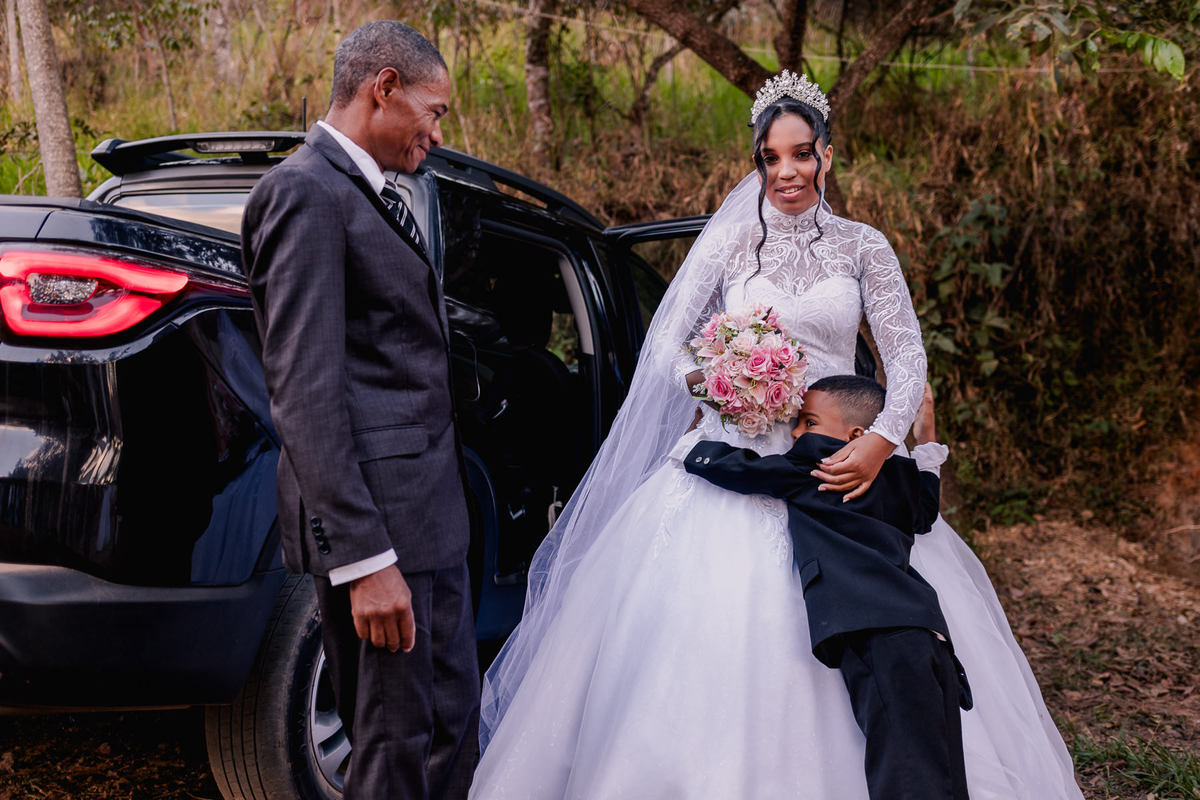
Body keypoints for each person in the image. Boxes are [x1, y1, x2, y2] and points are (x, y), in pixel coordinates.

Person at [470, 71, 1083, 799]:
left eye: (801, 154)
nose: (786, 172)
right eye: (770, 157)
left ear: (828, 154)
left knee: (891, 626)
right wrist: (718, 383)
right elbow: (669, 341)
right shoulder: (730, 244)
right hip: (735, 455)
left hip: (839, 463)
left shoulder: (864, 247)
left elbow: (907, 354)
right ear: (757, 160)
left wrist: (883, 440)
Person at [242, 21, 478, 800]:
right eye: (433, 111)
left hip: (427, 526)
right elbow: (305, 390)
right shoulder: (302, 192)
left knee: (448, 727)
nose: (436, 134)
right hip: (382, 537)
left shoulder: (373, 194)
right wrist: (366, 560)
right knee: (394, 745)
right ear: (384, 87)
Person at [683, 376, 970, 799]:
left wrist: (697, 439)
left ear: (856, 436)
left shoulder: (818, 465)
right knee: (941, 768)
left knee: (906, 772)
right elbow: (925, 513)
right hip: (924, 630)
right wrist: (926, 438)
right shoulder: (898, 474)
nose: (796, 432)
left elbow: (739, 469)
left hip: (877, 632)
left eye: (808, 422)